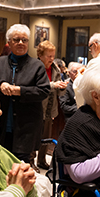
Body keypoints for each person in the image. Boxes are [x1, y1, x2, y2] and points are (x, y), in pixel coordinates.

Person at [0, 24, 50, 167]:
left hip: (26, 126)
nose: (21, 43)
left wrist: (20, 91)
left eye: (24, 40)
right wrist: (1, 84)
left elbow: (44, 91)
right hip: (1, 125)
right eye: (16, 39)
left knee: (20, 167)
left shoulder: (37, 66)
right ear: (9, 42)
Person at [36, 40, 67, 171]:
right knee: (36, 136)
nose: (52, 59)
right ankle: (31, 160)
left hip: (50, 107)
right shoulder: (35, 67)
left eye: (53, 56)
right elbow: (35, 86)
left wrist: (62, 87)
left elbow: (59, 93)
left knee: (46, 136)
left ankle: (42, 160)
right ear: (40, 55)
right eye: (49, 56)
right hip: (37, 107)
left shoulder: (54, 68)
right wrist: (53, 85)